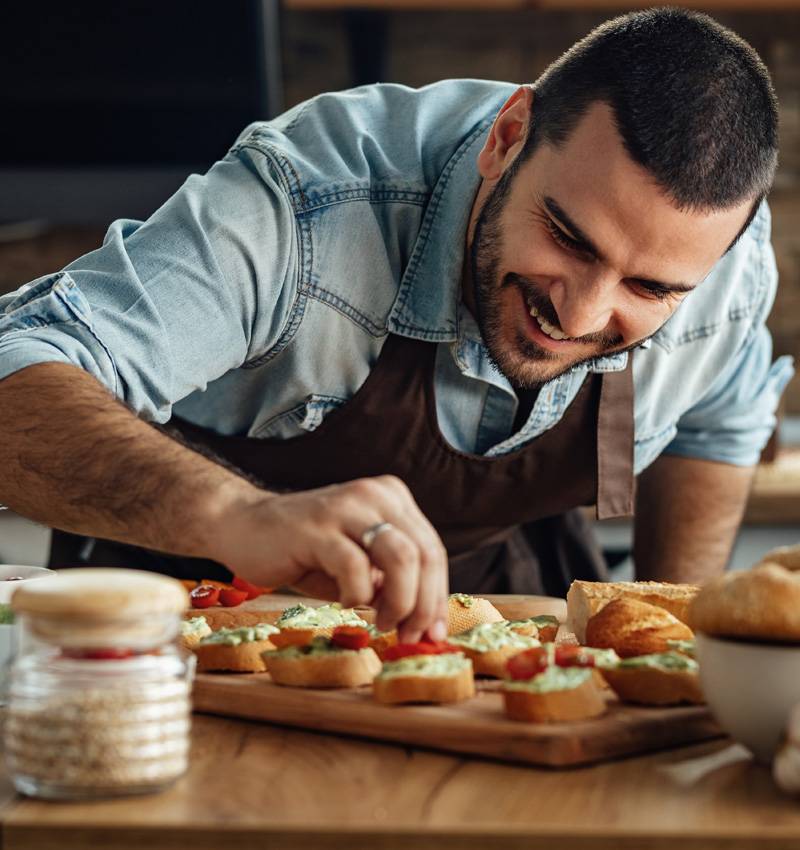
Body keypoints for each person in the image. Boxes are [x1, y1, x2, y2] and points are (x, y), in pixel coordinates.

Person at [0, 9, 791, 643]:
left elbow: (714, 429)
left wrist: (668, 648)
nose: (580, 314)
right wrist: (239, 518)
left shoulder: (727, 269)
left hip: (501, 620)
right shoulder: (310, 203)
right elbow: (15, 371)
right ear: (507, 137)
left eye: (649, 288)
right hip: (182, 617)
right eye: (567, 238)